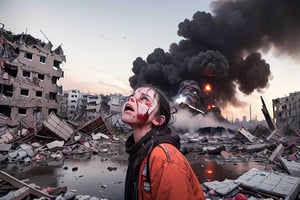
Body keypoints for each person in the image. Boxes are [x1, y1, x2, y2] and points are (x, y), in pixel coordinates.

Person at [122, 85, 206, 200]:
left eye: (144, 99)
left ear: (158, 120)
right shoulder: (139, 152)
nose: (132, 99)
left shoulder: (164, 159)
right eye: (132, 96)